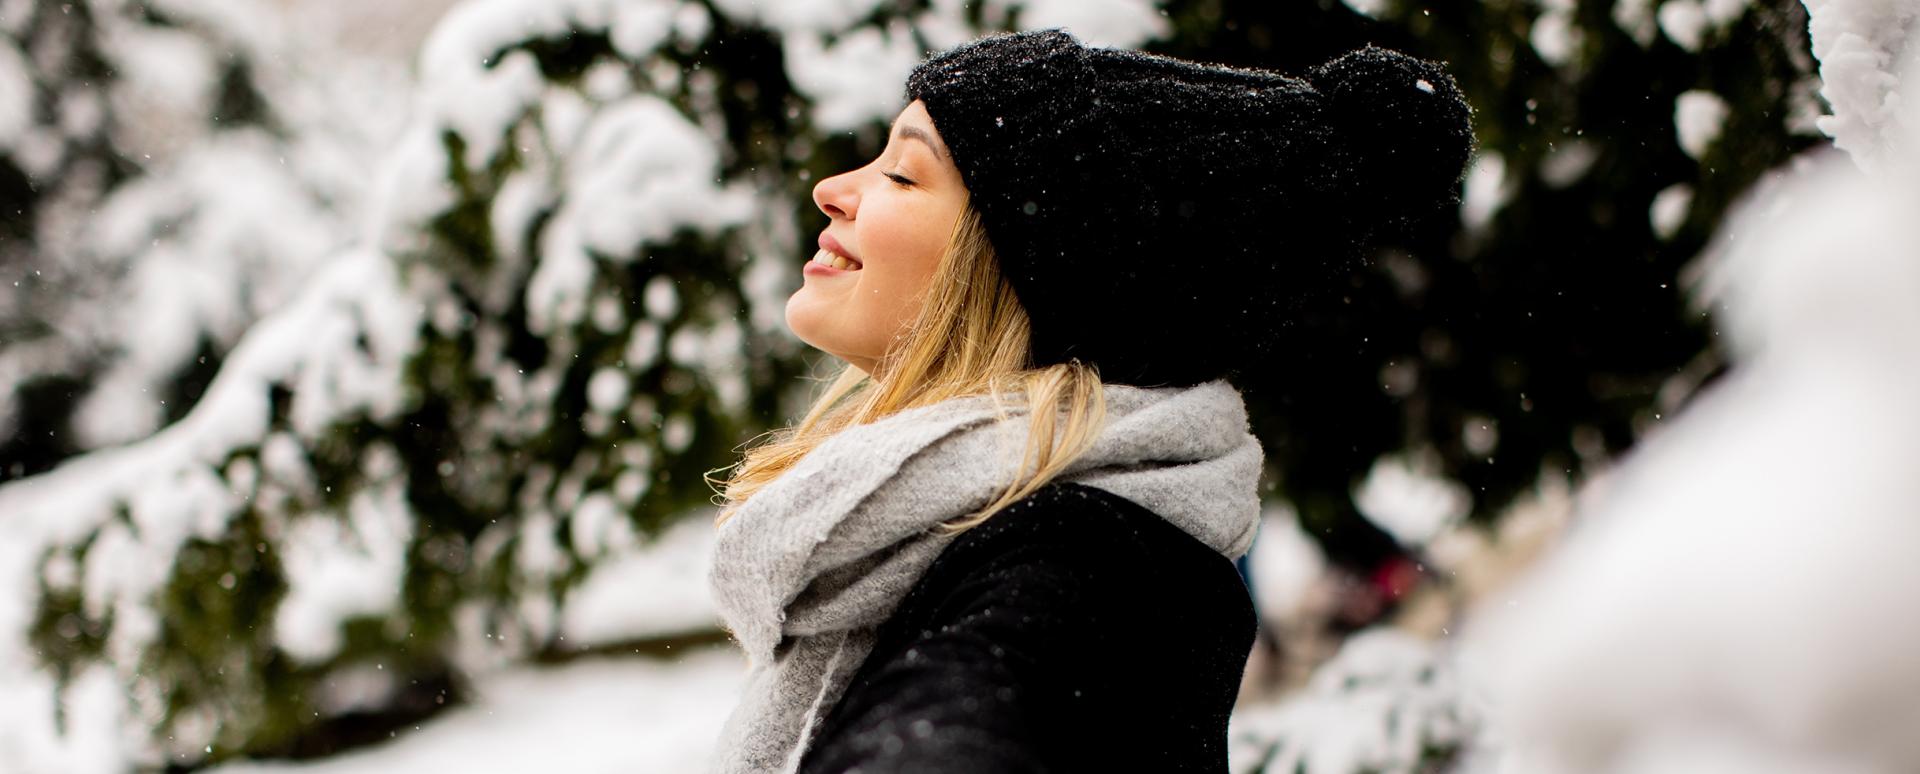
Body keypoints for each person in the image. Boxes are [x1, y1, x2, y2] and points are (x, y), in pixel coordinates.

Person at [707, 28, 1472, 773]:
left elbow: (970, 713)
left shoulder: (1079, 566)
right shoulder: (1010, 528)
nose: (833, 189)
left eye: (903, 175)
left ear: (1027, 275)